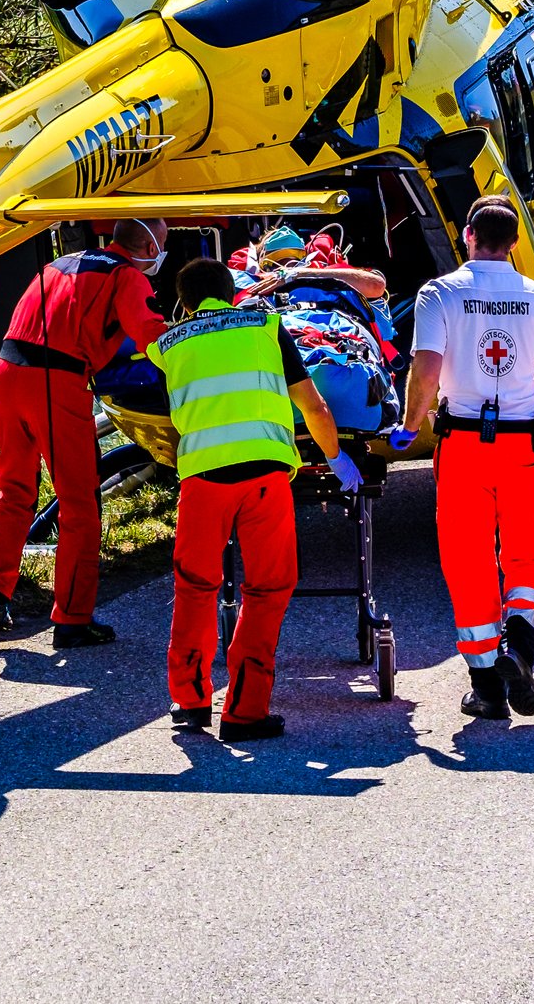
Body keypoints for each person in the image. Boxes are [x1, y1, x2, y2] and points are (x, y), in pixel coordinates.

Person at [151, 255, 356, 742]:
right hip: (265, 476)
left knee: (195, 588)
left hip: (202, 479)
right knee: (265, 591)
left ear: (183, 302)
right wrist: (336, 458)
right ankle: (244, 712)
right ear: (233, 290)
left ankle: (191, 700)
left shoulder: (166, 345)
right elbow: (313, 405)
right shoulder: (266, 325)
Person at [401, 195, 534, 722]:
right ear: (515, 244)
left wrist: (408, 426)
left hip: (464, 444)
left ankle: (487, 688)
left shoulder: (440, 294)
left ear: (467, 235)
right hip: (525, 444)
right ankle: (520, 646)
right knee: (527, 548)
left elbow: (426, 371)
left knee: (467, 556)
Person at [0, 218, 172, 645]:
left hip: (5, 373)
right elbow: (155, 340)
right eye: (163, 247)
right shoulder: (129, 277)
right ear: (148, 246)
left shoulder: (60, 263)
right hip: (56, 382)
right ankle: (72, 619)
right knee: (80, 502)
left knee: (15, 492)